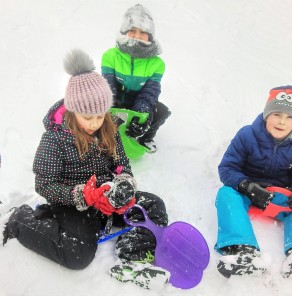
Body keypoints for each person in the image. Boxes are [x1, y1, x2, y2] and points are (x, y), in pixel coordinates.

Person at [2, 49, 170, 290]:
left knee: (154, 205)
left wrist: (122, 186)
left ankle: (131, 251)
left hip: (107, 198)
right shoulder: (55, 138)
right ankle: (20, 220)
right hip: (74, 203)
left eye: (101, 115)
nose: (95, 123)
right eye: (87, 116)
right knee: (77, 255)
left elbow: (122, 164)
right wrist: (84, 195)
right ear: (72, 110)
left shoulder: (108, 127)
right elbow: (45, 184)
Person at [215, 85, 292, 286]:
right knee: (226, 194)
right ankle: (242, 250)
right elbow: (227, 168)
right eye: (277, 114)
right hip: (248, 191)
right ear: (266, 115)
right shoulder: (247, 135)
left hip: (278, 196)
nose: (282, 121)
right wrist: (246, 186)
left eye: (289, 117)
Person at [101, 4, 171, 153]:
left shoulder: (157, 64)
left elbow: (150, 92)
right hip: (117, 99)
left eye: (142, 32)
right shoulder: (110, 56)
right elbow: (108, 85)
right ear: (124, 32)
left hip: (138, 101)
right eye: (132, 30)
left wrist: (142, 113)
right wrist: (111, 109)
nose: (137, 35)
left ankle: (145, 138)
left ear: (150, 35)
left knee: (161, 111)